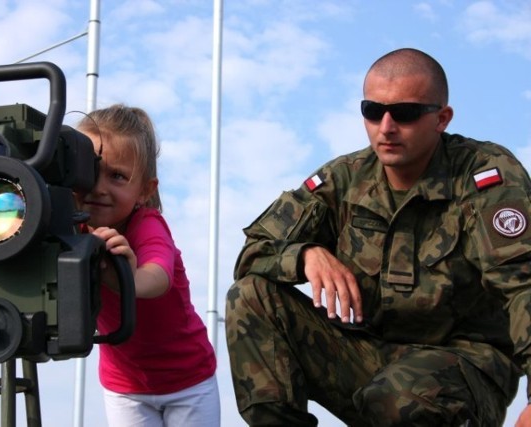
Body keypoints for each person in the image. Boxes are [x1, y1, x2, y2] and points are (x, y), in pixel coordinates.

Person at [225, 47, 531, 427]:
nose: (385, 127)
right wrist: (305, 255)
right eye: (372, 111)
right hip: (368, 360)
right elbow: (253, 254)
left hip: (463, 367)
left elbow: (524, 286)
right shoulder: (343, 179)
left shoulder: (484, 175)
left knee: (395, 396)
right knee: (252, 295)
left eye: (404, 113)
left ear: (442, 118)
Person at [75, 104, 220, 426]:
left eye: (117, 176)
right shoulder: (71, 229)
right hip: (125, 386)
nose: (98, 187)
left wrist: (122, 276)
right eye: (89, 170)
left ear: (144, 190)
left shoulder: (147, 225)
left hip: (189, 381)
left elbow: (157, 277)